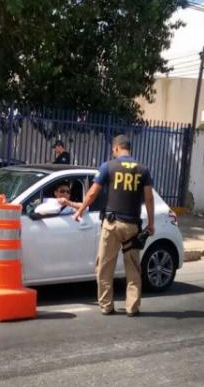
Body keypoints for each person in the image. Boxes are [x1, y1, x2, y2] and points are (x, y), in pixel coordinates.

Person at [73, 135, 154, 317]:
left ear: (116, 148)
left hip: (111, 225)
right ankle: (132, 307)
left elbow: (93, 192)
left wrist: (80, 211)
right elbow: (148, 198)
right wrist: (151, 223)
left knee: (104, 265)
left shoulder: (108, 166)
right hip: (132, 226)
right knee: (133, 267)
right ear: (129, 148)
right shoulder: (143, 169)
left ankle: (106, 305)